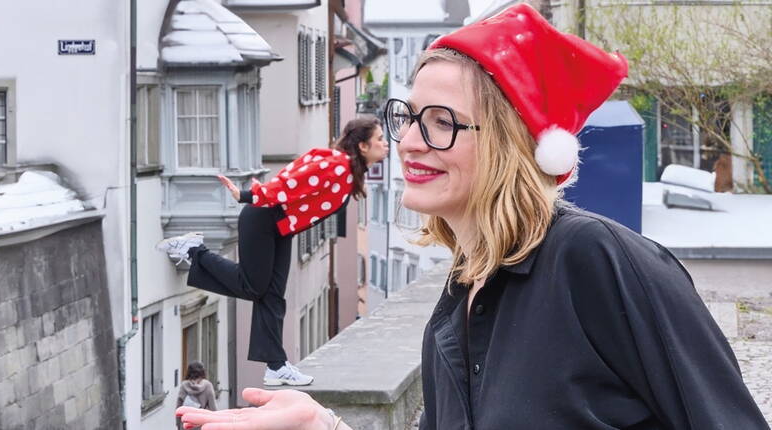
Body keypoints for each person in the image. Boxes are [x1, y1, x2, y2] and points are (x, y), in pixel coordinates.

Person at [176, 3, 769, 429]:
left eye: (442, 122)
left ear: (514, 144)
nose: (409, 141)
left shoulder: (599, 260)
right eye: (408, 116)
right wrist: (323, 428)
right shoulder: (465, 287)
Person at [157, 117, 389, 387]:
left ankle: (276, 367)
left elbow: (296, 172)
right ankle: (196, 250)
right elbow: (292, 182)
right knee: (254, 286)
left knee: (272, 296)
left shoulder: (346, 170)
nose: (385, 144)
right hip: (264, 217)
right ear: (362, 145)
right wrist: (247, 196)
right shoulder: (338, 166)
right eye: (380, 139)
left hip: (280, 226)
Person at [176, 361, 217, 430]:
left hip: (186, 424)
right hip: (202, 424)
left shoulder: (184, 386)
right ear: (203, 372)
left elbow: (178, 408)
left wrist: (178, 424)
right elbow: (213, 409)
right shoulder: (208, 386)